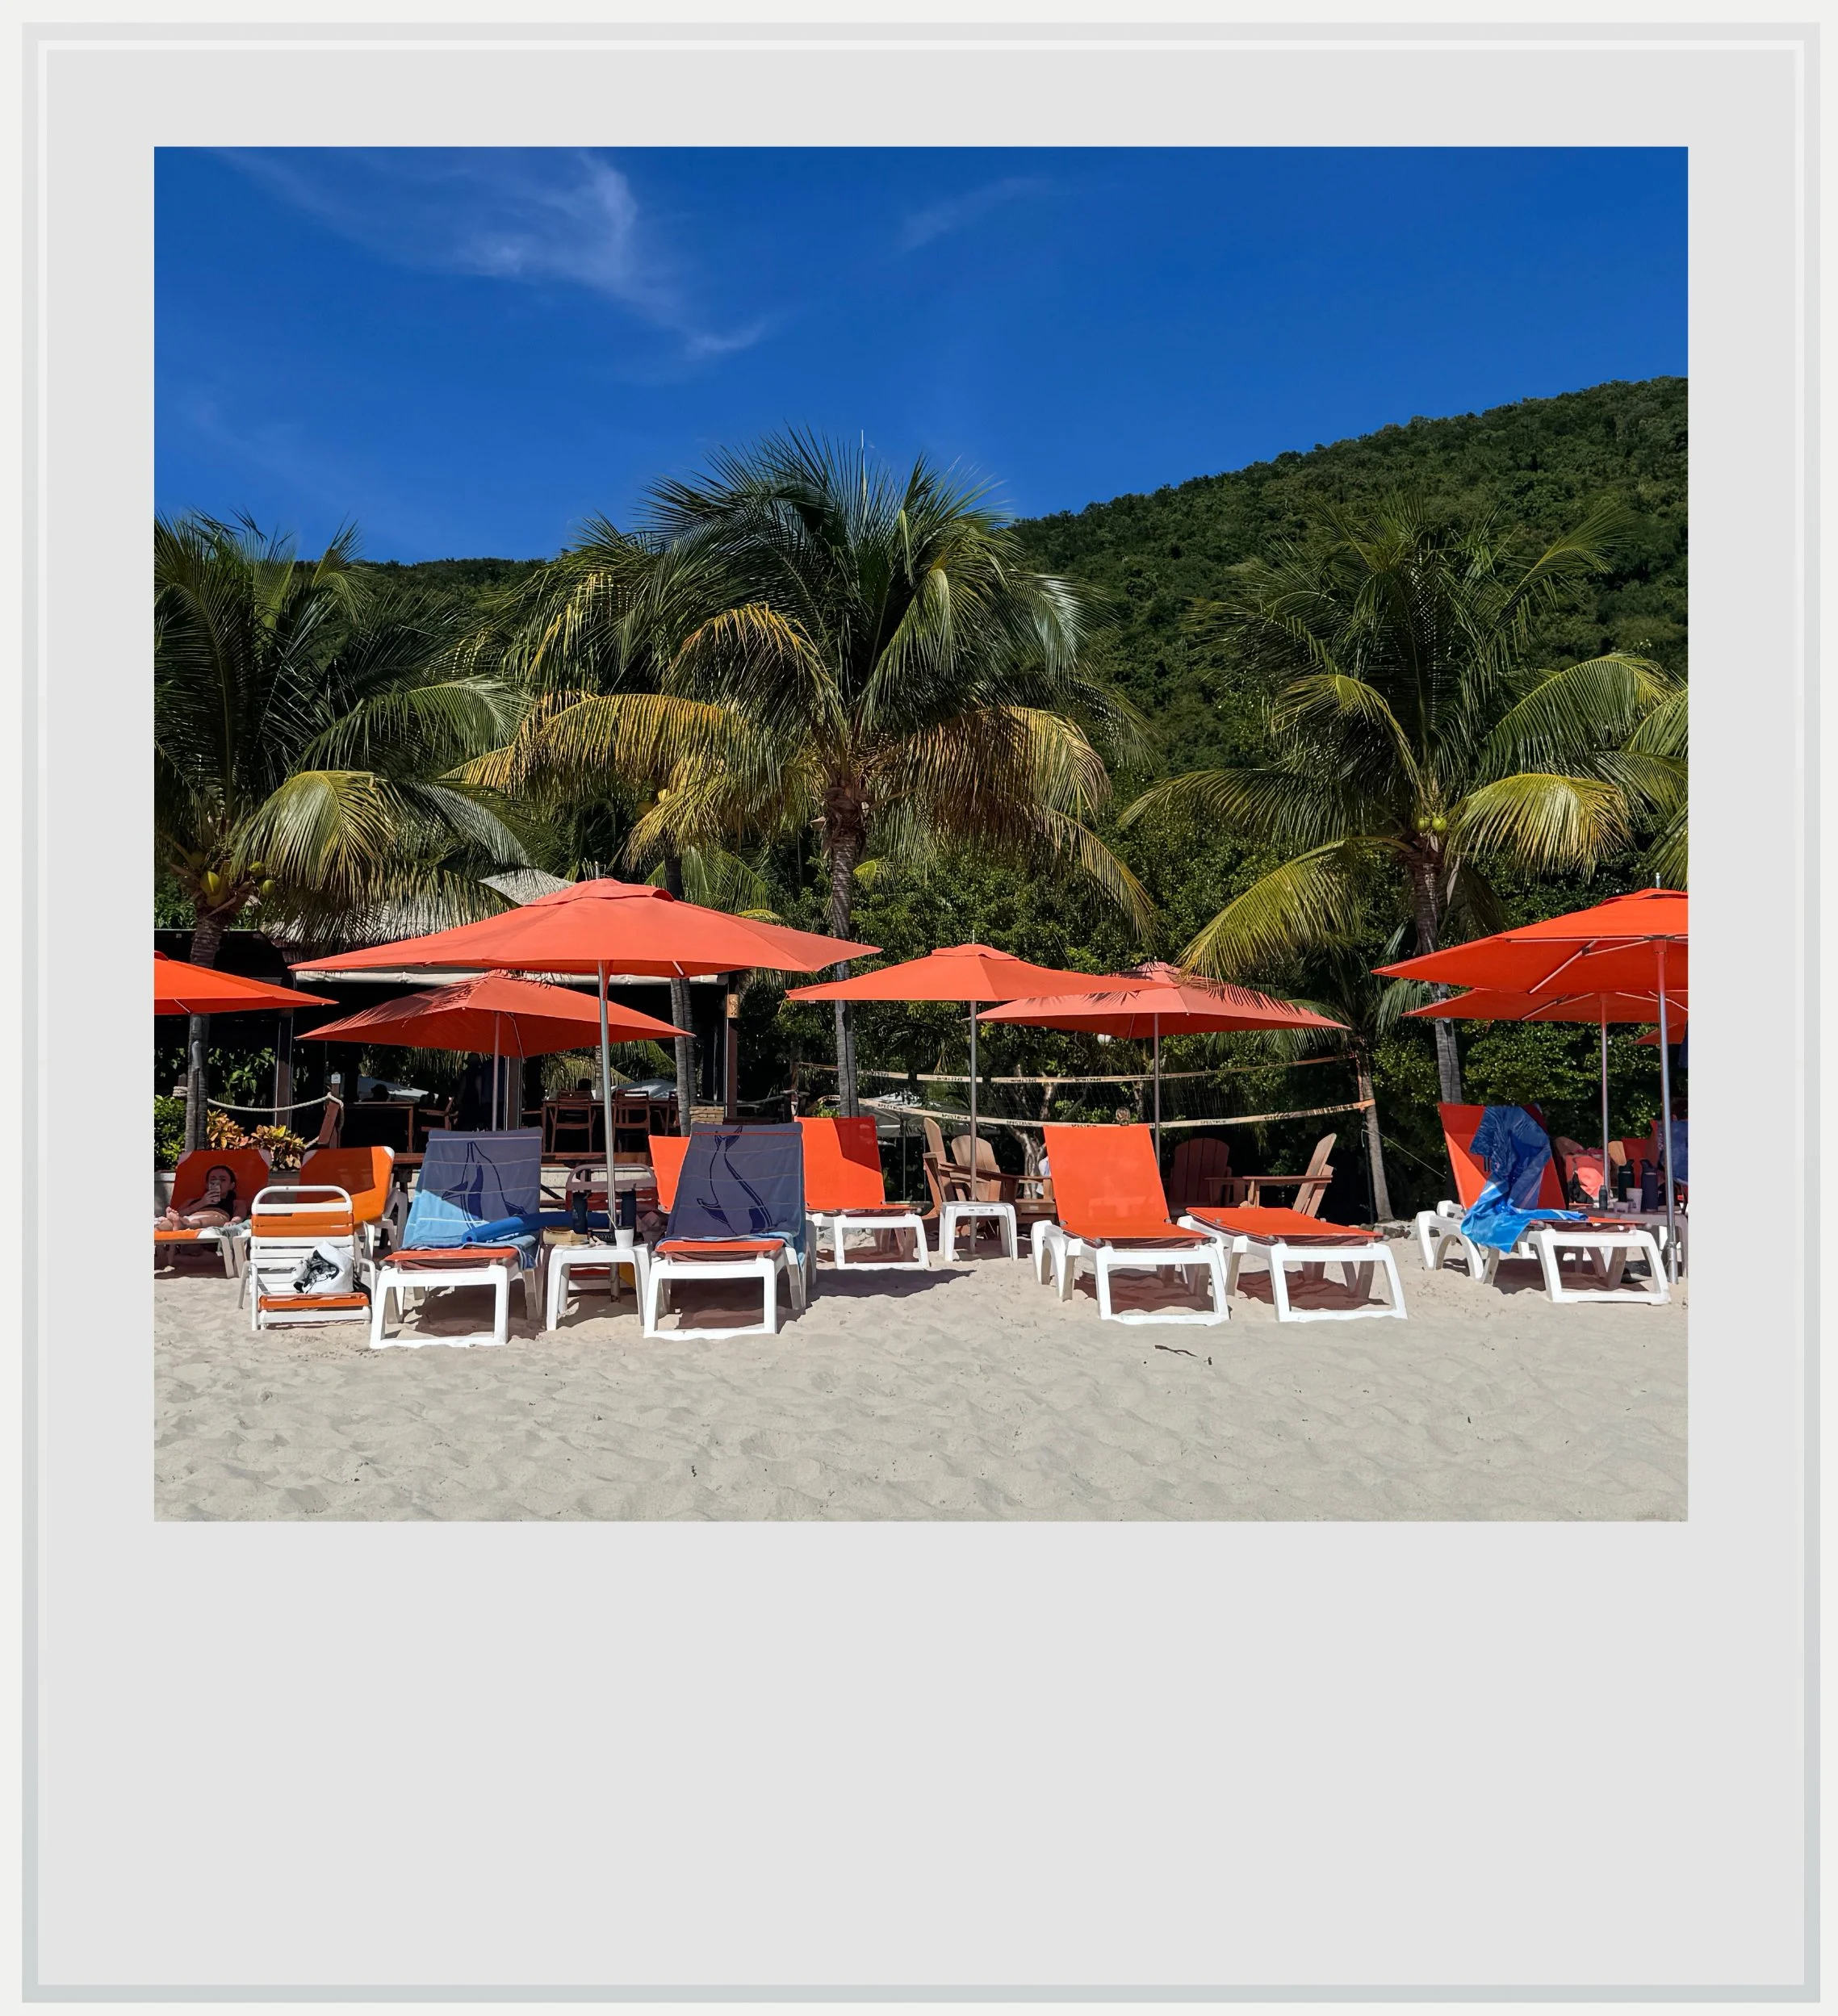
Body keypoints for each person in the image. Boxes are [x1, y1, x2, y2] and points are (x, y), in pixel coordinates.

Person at [158, 1162, 239, 1230]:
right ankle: (160, 1239)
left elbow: (239, 1216)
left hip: (217, 1218)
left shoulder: (236, 1202)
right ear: (207, 1185)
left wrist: (234, 1222)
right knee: (168, 1223)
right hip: (188, 1218)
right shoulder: (192, 1201)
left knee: (197, 1222)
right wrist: (202, 1203)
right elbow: (179, 1214)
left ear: (232, 1185)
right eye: (213, 1180)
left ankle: (182, 1226)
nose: (217, 1183)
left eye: (223, 1180)